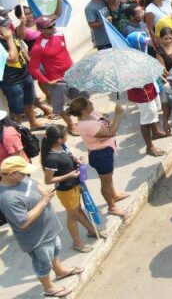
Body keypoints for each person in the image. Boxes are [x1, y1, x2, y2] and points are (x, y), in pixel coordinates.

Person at [0, 155, 83, 298]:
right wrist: (44, 201)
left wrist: (42, 190)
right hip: (37, 238)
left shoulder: (20, 178)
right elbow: (23, 222)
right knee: (43, 263)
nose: (26, 174)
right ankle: (48, 287)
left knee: (55, 250)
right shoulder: (8, 198)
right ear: (12, 174)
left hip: (49, 229)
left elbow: (32, 183)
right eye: (23, 172)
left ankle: (60, 271)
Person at [41, 125, 102, 254]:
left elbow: (67, 160)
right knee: (72, 216)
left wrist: (76, 160)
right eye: (65, 135)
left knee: (78, 211)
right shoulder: (51, 159)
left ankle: (91, 230)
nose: (67, 136)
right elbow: (48, 180)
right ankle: (77, 243)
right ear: (59, 139)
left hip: (74, 187)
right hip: (66, 191)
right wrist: (69, 175)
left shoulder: (62, 148)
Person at [67, 97, 130, 217]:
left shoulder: (92, 114)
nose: (92, 104)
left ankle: (114, 195)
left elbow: (106, 122)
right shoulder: (86, 125)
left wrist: (110, 123)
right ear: (84, 111)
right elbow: (110, 131)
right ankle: (112, 207)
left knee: (108, 177)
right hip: (101, 156)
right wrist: (117, 115)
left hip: (106, 151)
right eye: (89, 104)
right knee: (105, 182)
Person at [28, 18, 77, 135]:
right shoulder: (38, 47)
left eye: (53, 24)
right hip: (56, 79)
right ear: (41, 30)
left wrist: (73, 65)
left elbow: (64, 51)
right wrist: (47, 82)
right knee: (60, 105)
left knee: (78, 98)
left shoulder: (59, 35)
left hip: (71, 74)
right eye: (50, 27)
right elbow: (33, 68)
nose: (54, 27)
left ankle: (85, 118)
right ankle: (70, 125)